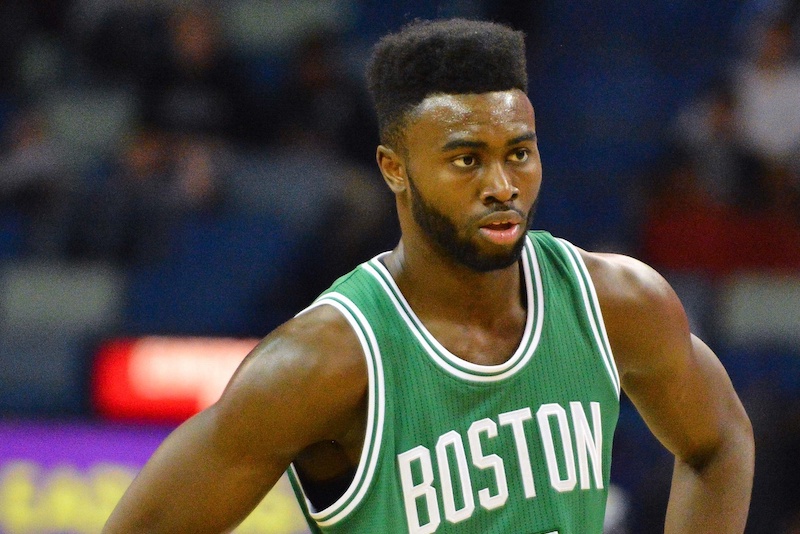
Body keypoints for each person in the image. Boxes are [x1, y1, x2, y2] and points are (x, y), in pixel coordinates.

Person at [103, 19, 754, 533]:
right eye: (467, 159)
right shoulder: (324, 361)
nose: (502, 185)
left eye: (519, 153)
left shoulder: (615, 302)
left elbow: (720, 443)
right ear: (394, 169)